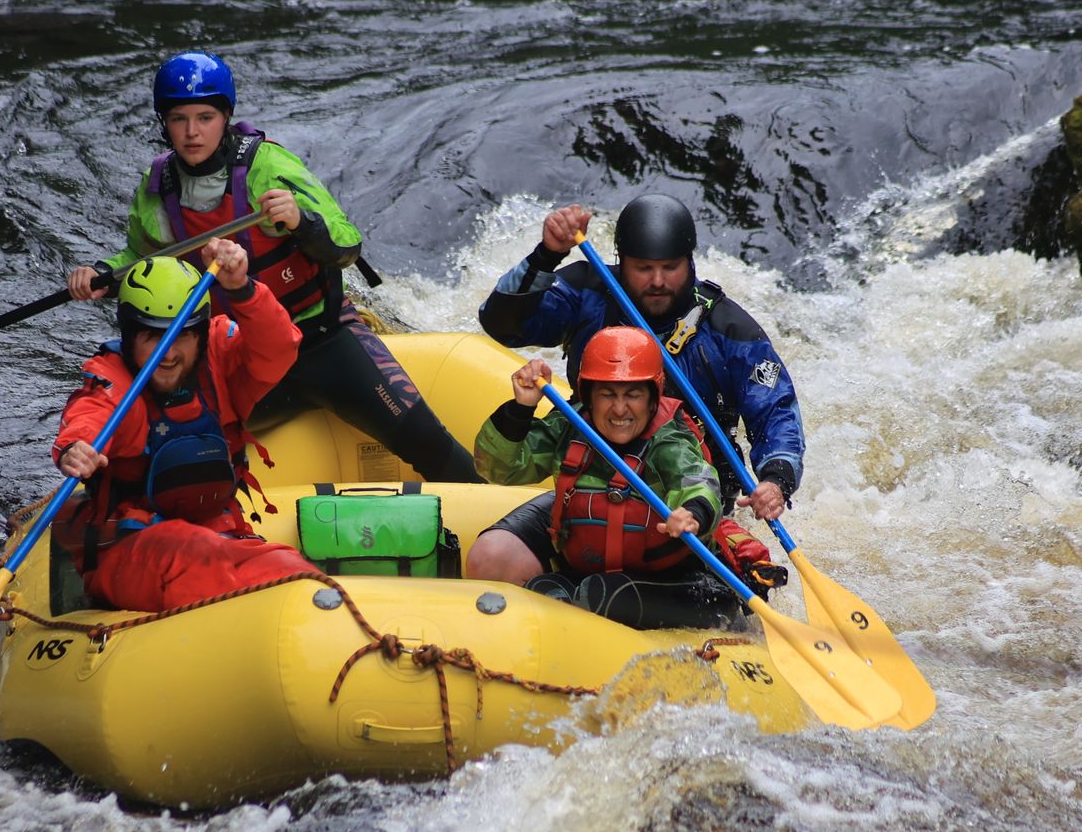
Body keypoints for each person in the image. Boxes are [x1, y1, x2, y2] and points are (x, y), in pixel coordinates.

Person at [67, 50, 481, 484]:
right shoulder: (157, 192)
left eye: (205, 117)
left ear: (225, 117)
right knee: (173, 449)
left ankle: (498, 518)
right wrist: (101, 275)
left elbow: (346, 245)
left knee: (426, 441)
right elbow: (142, 263)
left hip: (322, 340)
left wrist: (301, 221)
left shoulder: (270, 167)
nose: (192, 132)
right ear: (163, 123)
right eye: (178, 119)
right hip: (241, 358)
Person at [468, 191, 802, 585]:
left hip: (685, 499)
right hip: (592, 484)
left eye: (670, 267)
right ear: (621, 261)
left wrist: (775, 480)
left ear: (690, 262)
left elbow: (776, 410)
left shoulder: (730, 330)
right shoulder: (588, 291)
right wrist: (547, 254)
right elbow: (502, 324)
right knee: (491, 558)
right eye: (643, 268)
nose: (658, 281)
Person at [53, 243, 318, 612]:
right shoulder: (112, 377)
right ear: (130, 335)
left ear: (199, 333)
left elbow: (279, 348)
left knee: (292, 570)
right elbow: (90, 414)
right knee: (196, 556)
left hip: (219, 534)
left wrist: (241, 288)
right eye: (152, 337)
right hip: (129, 547)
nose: (169, 353)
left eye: (181, 335)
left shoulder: (219, 355)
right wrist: (75, 447)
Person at [473, 327, 748, 629]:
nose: (619, 409)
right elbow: (498, 468)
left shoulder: (670, 439)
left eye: (633, 395)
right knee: (527, 581)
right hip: (586, 565)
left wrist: (692, 513)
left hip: (669, 579)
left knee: (602, 597)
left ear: (652, 398)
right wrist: (521, 408)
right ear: (589, 396)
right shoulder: (571, 422)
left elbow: (697, 481)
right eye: (607, 394)